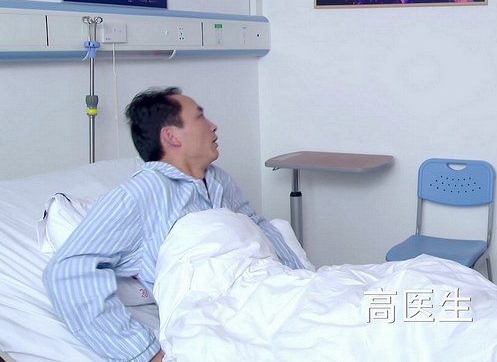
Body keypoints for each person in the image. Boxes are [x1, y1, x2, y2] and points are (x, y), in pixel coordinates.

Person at [43, 87, 306, 362]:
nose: (213, 126)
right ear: (171, 136)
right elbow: (68, 270)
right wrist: (143, 352)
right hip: (222, 317)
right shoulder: (143, 192)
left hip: (274, 295)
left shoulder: (218, 180)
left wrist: (301, 284)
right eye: (200, 117)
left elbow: (258, 229)